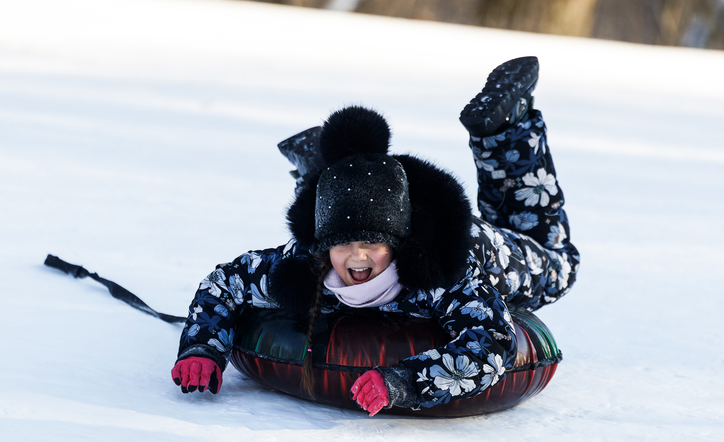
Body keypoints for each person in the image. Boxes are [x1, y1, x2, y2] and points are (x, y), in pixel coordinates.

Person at [171, 56, 580, 416]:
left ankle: (505, 130)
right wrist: (202, 347)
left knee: (559, 266)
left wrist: (405, 381)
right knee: (342, 206)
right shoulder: (303, 261)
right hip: (368, 196)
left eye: (372, 244)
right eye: (343, 244)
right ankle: (323, 166)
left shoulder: (442, 277)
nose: (357, 258)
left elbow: (492, 342)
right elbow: (225, 283)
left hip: (472, 240)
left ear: (397, 245)